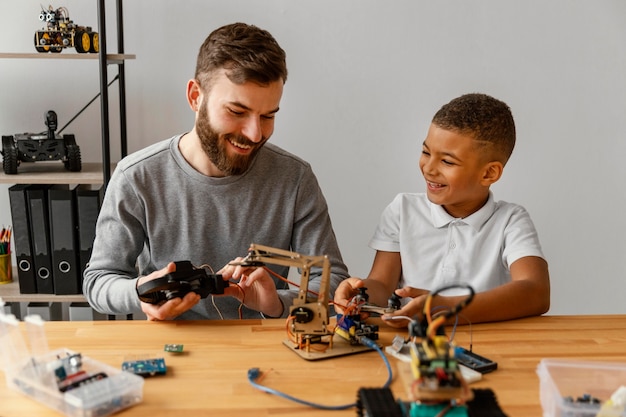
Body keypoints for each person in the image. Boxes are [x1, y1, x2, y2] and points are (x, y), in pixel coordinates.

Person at [83, 22, 349, 321]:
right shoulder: (136, 177)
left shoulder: (295, 178)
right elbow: (98, 281)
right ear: (196, 97)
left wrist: (275, 303)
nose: (254, 133)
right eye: (237, 112)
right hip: (175, 353)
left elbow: (334, 280)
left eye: (268, 116)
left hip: (266, 351)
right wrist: (141, 293)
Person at [333, 93, 550, 328]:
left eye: (447, 162)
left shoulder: (510, 221)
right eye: (426, 152)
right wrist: (360, 294)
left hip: (487, 349)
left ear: (489, 174)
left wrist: (447, 309)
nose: (429, 168)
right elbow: (382, 286)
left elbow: (536, 292)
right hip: (413, 347)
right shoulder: (402, 209)